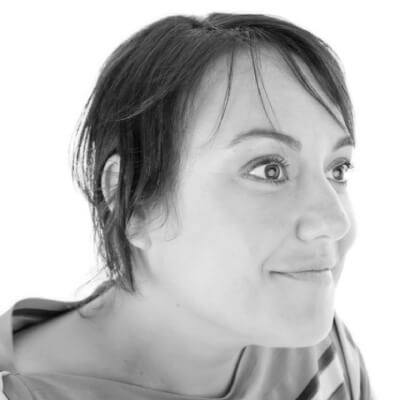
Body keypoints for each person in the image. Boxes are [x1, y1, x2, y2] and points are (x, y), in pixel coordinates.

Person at [0, 12, 376, 400]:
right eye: (269, 169)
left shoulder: (323, 359)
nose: (335, 221)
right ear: (133, 200)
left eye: (338, 169)